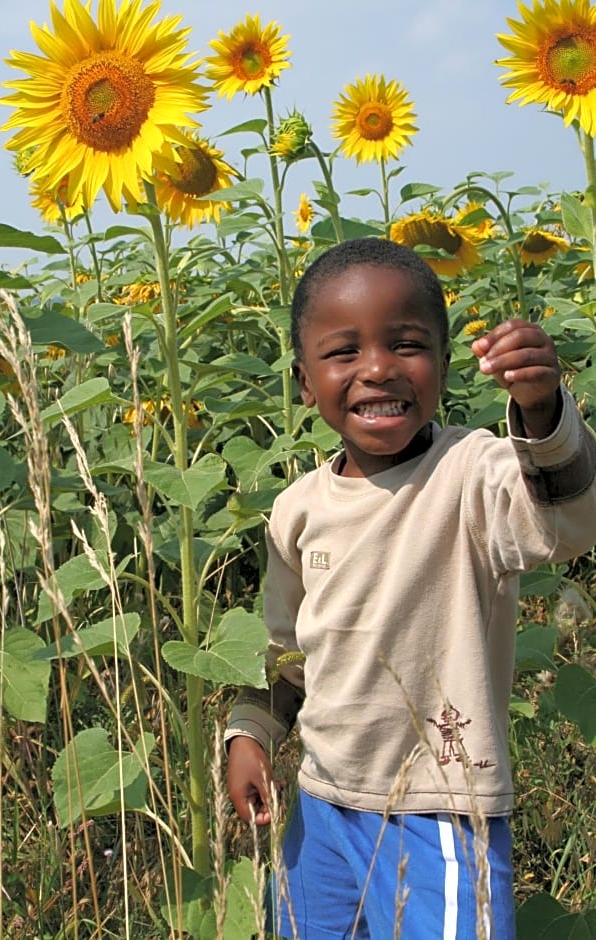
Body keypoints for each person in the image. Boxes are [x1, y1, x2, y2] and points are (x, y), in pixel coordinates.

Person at [225, 237, 596, 939]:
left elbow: (568, 521)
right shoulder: (298, 509)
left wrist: (542, 412)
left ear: (445, 367)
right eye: (343, 352)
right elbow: (285, 652)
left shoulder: (472, 472)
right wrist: (250, 734)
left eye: (406, 345)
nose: (376, 369)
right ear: (304, 381)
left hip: (440, 809)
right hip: (322, 806)